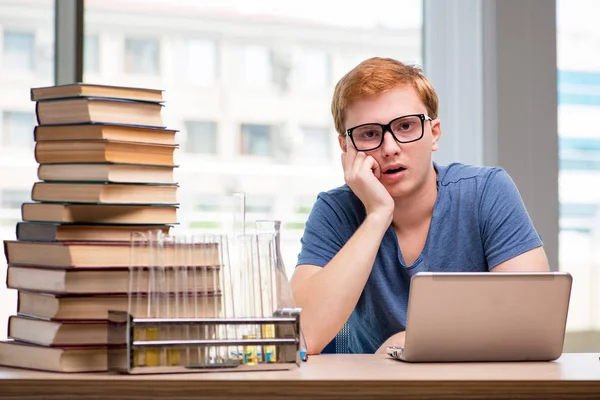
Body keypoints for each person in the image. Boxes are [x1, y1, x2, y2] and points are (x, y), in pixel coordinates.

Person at [290, 57, 550, 355]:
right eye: (369, 134)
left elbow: (531, 323)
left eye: (406, 126)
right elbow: (302, 337)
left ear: (434, 133)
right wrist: (377, 214)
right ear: (346, 147)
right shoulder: (335, 210)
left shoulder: (486, 191)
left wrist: (412, 340)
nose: (390, 148)